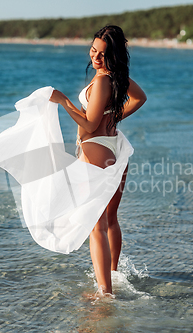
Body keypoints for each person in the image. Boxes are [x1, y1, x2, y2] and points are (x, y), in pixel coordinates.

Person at [49, 25, 147, 296]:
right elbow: (140, 98)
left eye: (103, 54)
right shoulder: (117, 77)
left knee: (96, 225)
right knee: (111, 218)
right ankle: (113, 276)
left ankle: (104, 292)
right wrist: (114, 118)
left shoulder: (103, 80)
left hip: (97, 148)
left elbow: (90, 124)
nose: (96, 57)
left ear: (112, 55)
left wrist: (63, 101)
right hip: (115, 147)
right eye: (93, 50)